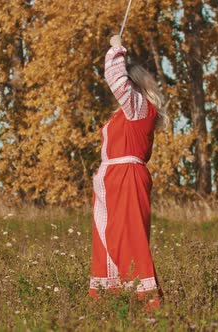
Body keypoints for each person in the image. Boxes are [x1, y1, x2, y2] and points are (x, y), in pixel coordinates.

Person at [89, 34, 168, 308]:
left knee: (129, 236)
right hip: (113, 180)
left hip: (126, 178)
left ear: (136, 85)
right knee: (109, 237)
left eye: (128, 84)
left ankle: (147, 304)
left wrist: (116, 49)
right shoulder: (126, 113)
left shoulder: (139, 108)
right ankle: (114, 300)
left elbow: (115, 77)